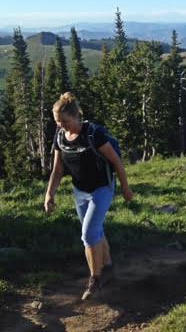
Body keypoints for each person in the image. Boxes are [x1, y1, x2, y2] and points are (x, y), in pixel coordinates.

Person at [44, 92, 134, 300]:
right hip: (80, 192)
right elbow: (57, 170)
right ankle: (108, 266)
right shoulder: (60, 138)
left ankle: (95, 280)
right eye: (58, 122)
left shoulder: (94, 134)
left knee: (88, 234)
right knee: (95, 230)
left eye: (64, 121)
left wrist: (126, 189)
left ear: (77, 116)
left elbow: (116, 162)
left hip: (101, 189)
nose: (61, 126)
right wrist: (49, 195)